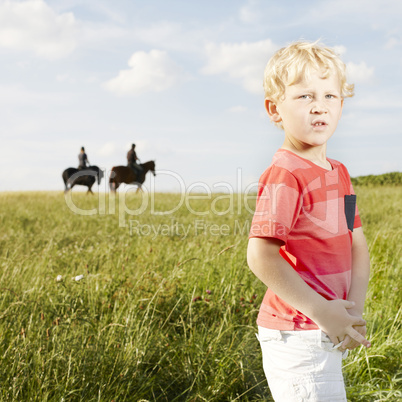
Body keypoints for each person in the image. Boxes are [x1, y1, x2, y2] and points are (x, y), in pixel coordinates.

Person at [247, 41, 371, 401]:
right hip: (296, 333)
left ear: (342, 106)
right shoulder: (286, 173)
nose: (319, 106)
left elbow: (356, 242)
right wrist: (322, 311)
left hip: (328, 322)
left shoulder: (340, 173)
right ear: (275, 110)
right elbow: (261, 256)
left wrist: (352, 311)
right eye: (304, 97)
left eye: (330, 96)